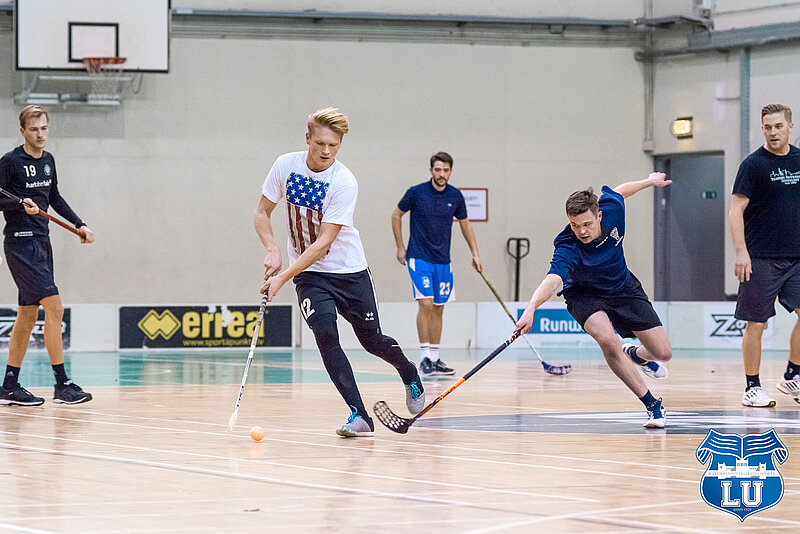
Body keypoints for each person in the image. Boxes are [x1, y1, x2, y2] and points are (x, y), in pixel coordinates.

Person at [255, 107, 425, 437]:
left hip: (348, 271)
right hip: (310, 275)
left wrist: (281, 276)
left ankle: (409, 373)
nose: (326, 151)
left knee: (372, 341)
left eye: (334, 145)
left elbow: (324, 242)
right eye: (320, 143)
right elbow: (262, 211)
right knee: (326, 336)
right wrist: (272, 249)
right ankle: (359, 415)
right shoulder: (285, 166)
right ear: (307, 138)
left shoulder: (344, 182)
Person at [515, 173, 673, 428]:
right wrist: (531, 307)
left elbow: (620, 191)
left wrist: (649, 181)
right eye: (575, 225)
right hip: (584, 296)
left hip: (623, 287)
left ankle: (636, 355)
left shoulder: (612, 211)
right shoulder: (568, 246)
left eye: (586, 223)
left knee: (663, 353)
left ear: (599, 215)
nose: (582, 231)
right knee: (609, 341)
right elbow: (554, 278)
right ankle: (652, 404)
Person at [0, 105, 94, 406]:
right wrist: (18, 204)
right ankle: (62, 384)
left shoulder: (49, 161)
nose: (40, 134)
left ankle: (8, 386)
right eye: (34, 129)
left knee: (27, 315)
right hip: (20, 243)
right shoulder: (11, 162)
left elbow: (53, 197)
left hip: (42, 242)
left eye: (44, 128)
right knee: (55, 308)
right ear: (23, 131)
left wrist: (79, 223)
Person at [730, 103, 800, 408]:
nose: (773, 132)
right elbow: (736, 210)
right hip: (759, 258)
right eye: (767, 127)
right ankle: (752, 386)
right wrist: (740, 251)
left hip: (797, 257)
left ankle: (793, 375)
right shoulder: (753, 165)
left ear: (790, 126)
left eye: (778, 126)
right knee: (756, 323)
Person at [391, 152, 481, 377]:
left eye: (446, 170)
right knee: (426, 304)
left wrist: (475, 254)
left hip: (443, 260)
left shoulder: (455, 196)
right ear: (431, 170)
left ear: (451, 171)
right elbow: (396, 215)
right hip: (418, 257)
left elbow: (465, 225)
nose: (442, 174)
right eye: (438, 170)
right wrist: (401, 247)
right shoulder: (416, 193)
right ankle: (424, 360)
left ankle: (434, 358)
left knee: (439, 307)